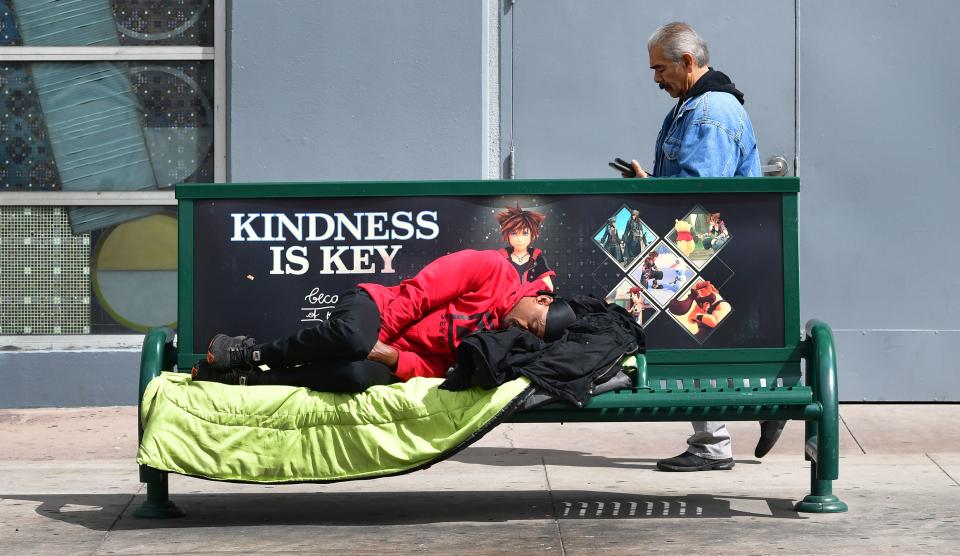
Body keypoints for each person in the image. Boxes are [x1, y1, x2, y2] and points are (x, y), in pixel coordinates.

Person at [618, 21, 784, 471]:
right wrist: (649, 184)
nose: (655, 79)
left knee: (642, 316)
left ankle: (752, 412)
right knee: (679, 328)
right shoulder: (694, 105)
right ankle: (761, 404)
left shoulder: (709, 112)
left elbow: (700, 201)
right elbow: (690, 188)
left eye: (659, 68)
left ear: (687, 61)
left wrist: (658, 257)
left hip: (702, 244)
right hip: (700, 241)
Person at [192, 249, 578, 393]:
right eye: (534, 323)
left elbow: (443, 368)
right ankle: (246, 352)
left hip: (389, 353)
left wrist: (391, 358)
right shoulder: (491, 269)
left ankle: (246, 379)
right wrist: (376, 340)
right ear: (541, 299)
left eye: (533, 336)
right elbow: (418, 294)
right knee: (351, 338)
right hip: (375, 308)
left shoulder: (502, 341)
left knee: (355, 377)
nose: (524, 330)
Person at [495, 204, 554, 290]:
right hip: (506, 302)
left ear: (533, 235)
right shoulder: (500, 258)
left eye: (525, 233)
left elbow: (549, 288)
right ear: (508, 235)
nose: (520, 239)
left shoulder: (538, 259)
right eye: (514, 234)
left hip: (530, 301)